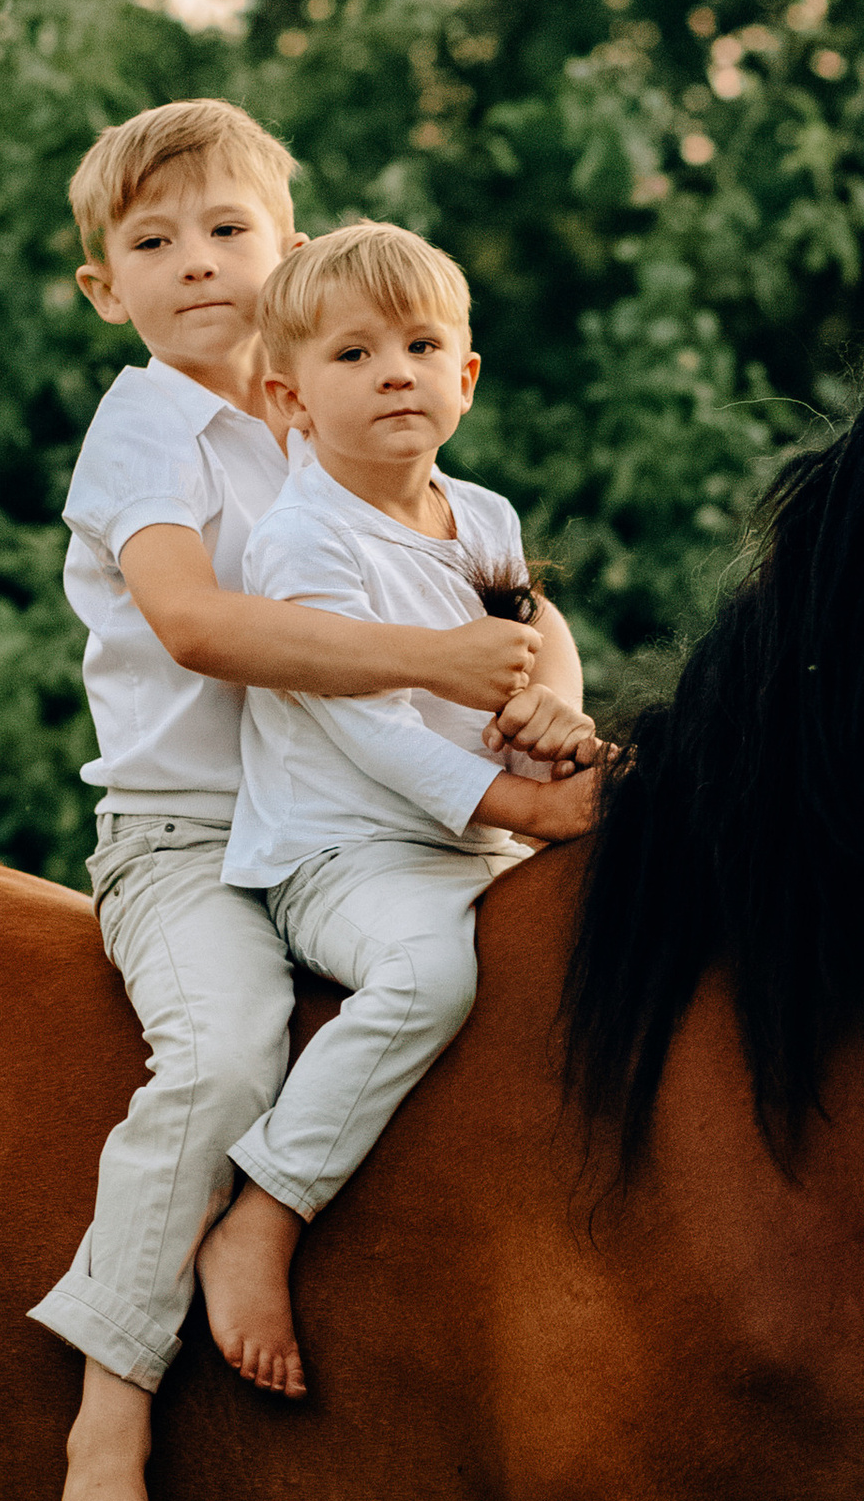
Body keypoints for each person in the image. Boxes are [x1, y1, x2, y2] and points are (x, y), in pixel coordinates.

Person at [29, 103, 582, 1501]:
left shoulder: (338, 402)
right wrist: (446, 677)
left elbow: (505, 593)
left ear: (289, 251)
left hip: (375, 816)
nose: (197, 266)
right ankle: (108, 1424)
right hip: (195, 835)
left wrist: (544, 702)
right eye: (154, 245)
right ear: (106, 290)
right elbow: (202, 628)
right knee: (218, 1058)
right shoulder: (148, 426)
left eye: (229, 232)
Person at [192, 221, 599, 1396]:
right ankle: (263, 1211)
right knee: (431, 981)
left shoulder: (483, 520)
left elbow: (524, 648)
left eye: (421, 346)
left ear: (464, 377)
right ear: (290, 399)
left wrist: (557, 725)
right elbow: (359, 725)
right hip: (338, 854)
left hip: (467, 838)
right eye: (353, 355)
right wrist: (517, 799)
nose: (394, 375)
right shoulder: (300, 542)